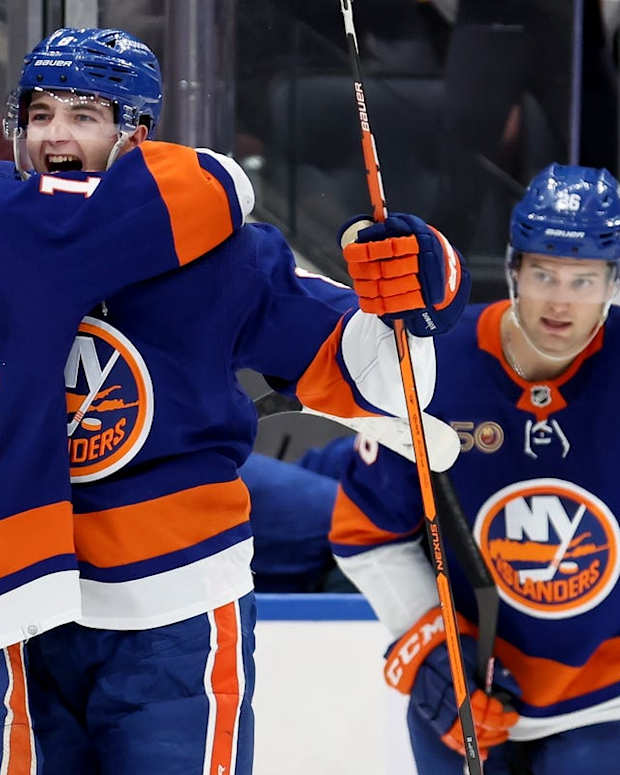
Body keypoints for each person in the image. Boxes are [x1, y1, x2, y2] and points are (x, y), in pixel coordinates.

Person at [1, 27, 470, 774]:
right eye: (39, 114)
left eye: (83, 114)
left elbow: (358, 362)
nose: (54, 133)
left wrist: (408, 294)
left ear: (136, 135)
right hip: (29, 611)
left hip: (177, 612)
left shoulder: (222, 255)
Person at [330, 163, 620, 774]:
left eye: (584, 280)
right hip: (466, 697)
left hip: (604, 706)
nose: (561, 302)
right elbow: (365, 534)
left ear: (612, 284)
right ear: (512, 268)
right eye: (544, 274)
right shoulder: (431, 368)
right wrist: (432, 652)